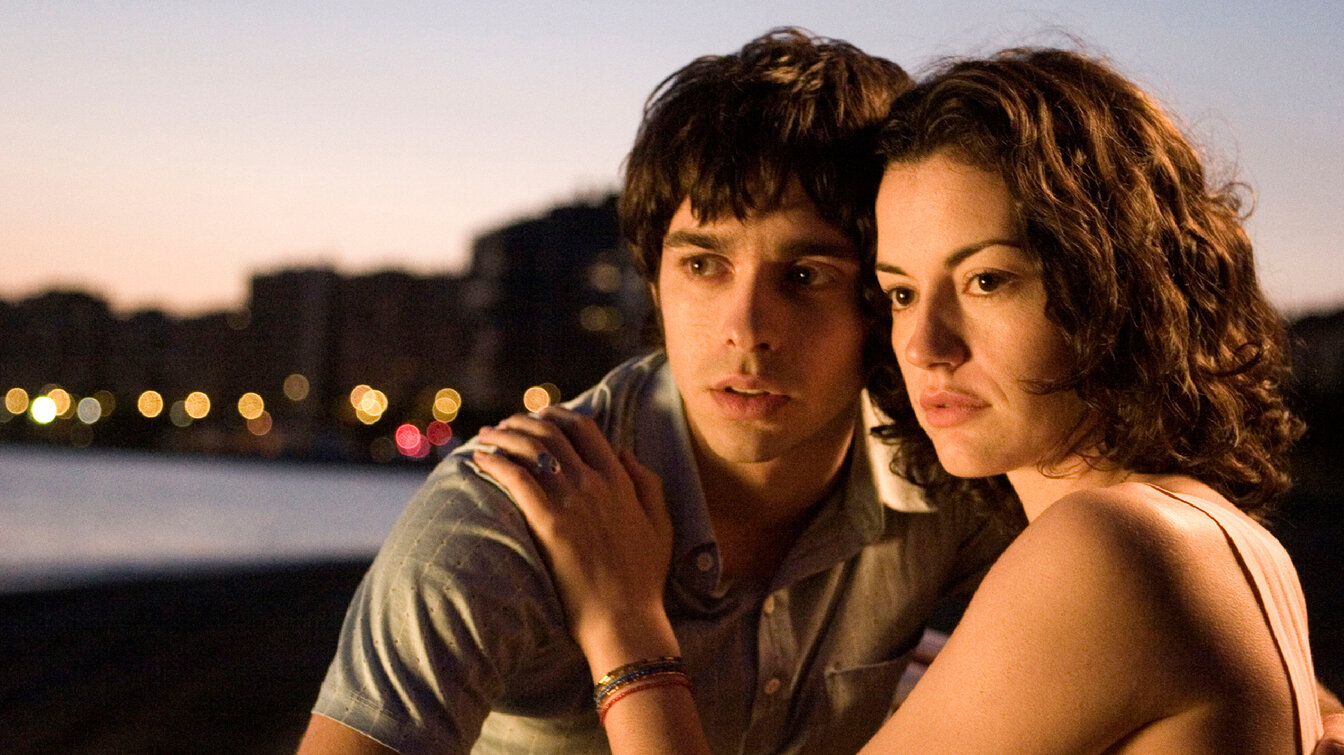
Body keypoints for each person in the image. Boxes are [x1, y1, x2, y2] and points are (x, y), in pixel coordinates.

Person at [480, 47, 1344, 753]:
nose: (925, 345)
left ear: (1117, 282)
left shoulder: (1106, 548)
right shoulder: (1230, 542)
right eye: (899, 292)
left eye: (987, 280)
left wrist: (625, 625)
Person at [298, 29, 1019, 755]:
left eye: (806, 276)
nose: (747, 330)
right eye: (703, 265)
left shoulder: (945, 481)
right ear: (654, 281)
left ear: (883, 296)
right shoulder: (517, 508)